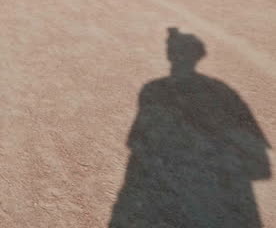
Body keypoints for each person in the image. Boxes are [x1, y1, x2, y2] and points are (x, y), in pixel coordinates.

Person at [110, 28, 270, 227]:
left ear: (170, 55)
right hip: (208, 191)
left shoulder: (154, 89)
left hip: (177, 186)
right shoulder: (221, 90)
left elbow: (137, 142)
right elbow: (258, 165)